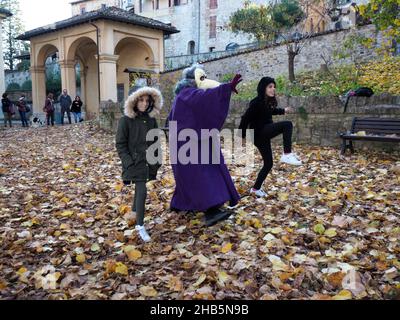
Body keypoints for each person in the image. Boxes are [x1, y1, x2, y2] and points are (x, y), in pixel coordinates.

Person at [167, 64, 242, 227]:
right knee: (203, 176)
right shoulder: (187, 94)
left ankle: (181, 204)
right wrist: (225, 89)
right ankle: (211, 211)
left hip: (189, 144)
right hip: (190, 146)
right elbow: (204, 99)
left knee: (191, 177)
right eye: (201, 77)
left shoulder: (181, 96)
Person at [239, 76, 302, 198]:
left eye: (274, 87)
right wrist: (241, 137)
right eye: (270, 87)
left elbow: (271, 111)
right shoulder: (256, 102)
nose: (273, 89)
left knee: (268, 163)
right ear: (263, 88)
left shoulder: (268, 102)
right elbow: (245, 119)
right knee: (287, 125)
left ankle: (255, 188)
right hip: (258, 133)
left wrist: (283, 110)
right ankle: (287, 154)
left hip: (263, 134)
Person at [116, 87, 163, 242]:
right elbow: (120, 144)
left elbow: (156, 142)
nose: (144, 103)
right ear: (134, 101)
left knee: (139, 188)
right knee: (142, 190)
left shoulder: (151, 120)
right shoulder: (126, 120)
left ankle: (134, 213)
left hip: (148, 163)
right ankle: (140, 225)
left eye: (147, 100)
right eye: (141, 100)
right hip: (134, 163)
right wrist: (128, 162)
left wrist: (156, 161)